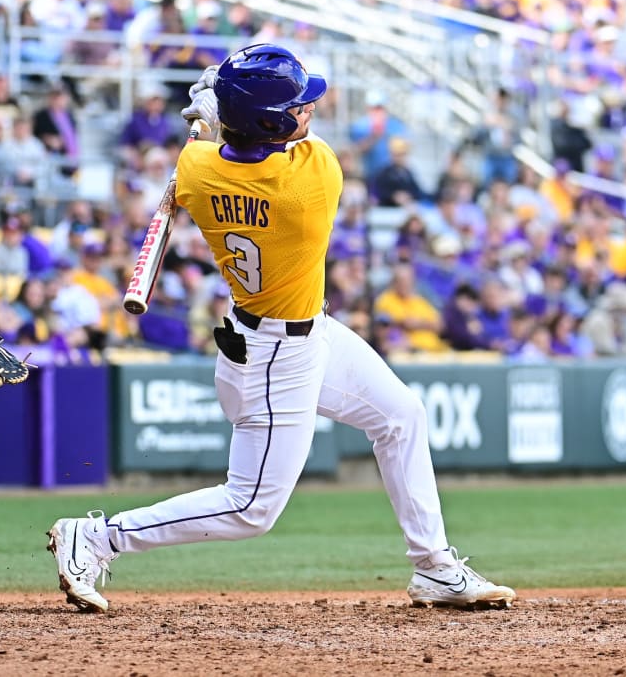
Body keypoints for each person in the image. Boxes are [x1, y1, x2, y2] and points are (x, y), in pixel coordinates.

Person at [48, 44, 514, 612]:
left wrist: (212, 117)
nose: (309, 108)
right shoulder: (309, 185)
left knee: (400, 415)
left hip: (299, 331)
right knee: (250, 508)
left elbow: (207, 150)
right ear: (268, 123)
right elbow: (243, 139)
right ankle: (97, 537)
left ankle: (435, 567)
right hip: (274, 355)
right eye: (297, 105)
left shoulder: (196, 171)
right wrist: (216, 109)